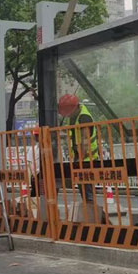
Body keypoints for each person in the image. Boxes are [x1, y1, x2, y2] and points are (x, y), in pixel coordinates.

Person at [58, 94, 103, 222]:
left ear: (75, 107)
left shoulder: (84, 117)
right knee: (84, 189)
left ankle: (93, 218)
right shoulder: (74, 117)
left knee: (87, 191)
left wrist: (80, 160)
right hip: (80, 159)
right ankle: (91, 216)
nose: (67, 114)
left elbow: (85, 139)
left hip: (87, 159)